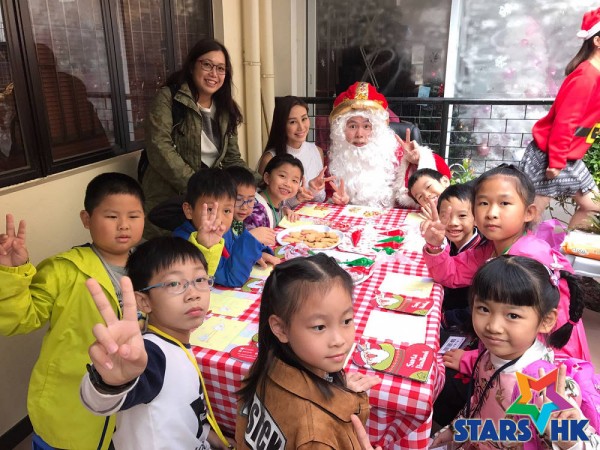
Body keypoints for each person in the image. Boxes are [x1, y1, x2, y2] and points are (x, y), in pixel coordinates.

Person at [0, 173, 145, 449]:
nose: (124, 225)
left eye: (134, 216)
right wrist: (11, 273)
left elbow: (185, 294)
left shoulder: (148, 265)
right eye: (112, 216)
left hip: (129, 401)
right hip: (69, 406)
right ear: (86, 219)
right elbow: (19, 320)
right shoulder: (63, 269)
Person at [422, 164, 589, 362]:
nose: (491, 213)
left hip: (544, 364)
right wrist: (435, 245)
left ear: (529, 213)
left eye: (504, 203)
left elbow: (525, 339)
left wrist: (471, 360)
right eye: (483, 203)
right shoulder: (492, 248)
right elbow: (450, 273)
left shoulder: (524, 262)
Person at [80, 237, 233, 449]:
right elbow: (99, 402)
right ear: (144, 301)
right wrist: (110, 383)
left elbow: (187, 409)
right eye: (173, 284)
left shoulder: (176, 343)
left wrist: (212, 438)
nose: (193, 294)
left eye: (199, 279)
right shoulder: (151, 354)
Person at [432, 255, 598, 450]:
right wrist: (454, 430)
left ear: (546, 321)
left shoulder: (543, 383)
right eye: (484, 309)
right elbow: (479, 402)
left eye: (513, 315)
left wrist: (567, 440)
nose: (493, 326)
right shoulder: (489, 354)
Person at [235, 253, 379, 448]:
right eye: (319, 327)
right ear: (281, 328)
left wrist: (339, 394)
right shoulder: (316, 436)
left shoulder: (267, 363)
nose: (338, 340)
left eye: (346, 321)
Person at [142, 38, 252, 239]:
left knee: (205, 250)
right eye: (207, 65)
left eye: (221, 68)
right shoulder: (168, 97)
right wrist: (198, 187)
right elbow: (159, 147)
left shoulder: (225, 108)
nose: (214, 74)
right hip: (169, 201)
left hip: (207, 206)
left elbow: (232, 159)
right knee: (172, 253)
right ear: (193, 66)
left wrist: (264, 182)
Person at [520, 7, 600, 229]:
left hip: (566, 157)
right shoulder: (587, 76)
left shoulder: (593, 75)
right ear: (597, 41)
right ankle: (520, 251)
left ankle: (564, 247)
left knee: (593, 206)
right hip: (551, 156)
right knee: (530, 216)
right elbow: (566, 121)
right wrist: (556, 161)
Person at [327, 81, 450, 209]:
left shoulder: (396, 153)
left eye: (366, 126)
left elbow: (444, 175)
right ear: (341, 130)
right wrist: (339, 200)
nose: (359, 134)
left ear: (377, 129)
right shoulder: (336, 158)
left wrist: (418, 159)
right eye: (352, 126)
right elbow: (328, 195)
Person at [174, 168, 278, 287]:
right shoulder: (183, 243)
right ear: (189, 210)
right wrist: (250, 239)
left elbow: (239, 247)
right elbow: (232, 278)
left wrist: (258, 253)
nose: (219, 219)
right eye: (210, 210)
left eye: (227, 210)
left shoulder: (231, 227)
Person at [257, 96, 333, 206]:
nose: (301, 127)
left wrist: (313, 189)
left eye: (304, 119)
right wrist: (296, 198)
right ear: (281, 125)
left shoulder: (317, 151)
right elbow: (263, 203)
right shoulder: (270, 158)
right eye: (293, 122)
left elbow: (319, 198)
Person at [244, 154, 303, 229]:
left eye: (294, 180)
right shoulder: (256, 211)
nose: (288, 184)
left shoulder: (279, 201)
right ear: (267, 178)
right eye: (282, 176)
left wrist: (285, 210)